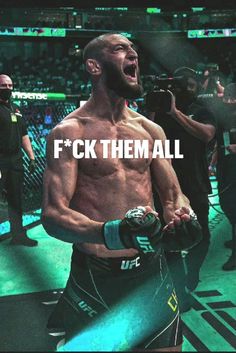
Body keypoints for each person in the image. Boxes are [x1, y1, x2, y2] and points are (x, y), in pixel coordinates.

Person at [41, 33, 202, 352]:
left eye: (134, 50)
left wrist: (182, 219)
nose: (133, 56)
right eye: (120, 49)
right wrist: (113, 233)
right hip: (96, 279)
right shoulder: (70, 132)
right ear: (94, 66)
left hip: (151, 272)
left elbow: (173, 195)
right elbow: (53, 215)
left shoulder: (151, 130)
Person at [149, 67, 216, 310]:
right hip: (163, 185)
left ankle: (192, 275)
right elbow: (139, 137)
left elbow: (207, 134)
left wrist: (174, 112)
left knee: (202, 236)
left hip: (194, 183)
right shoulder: (156, 110)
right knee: (169, 240)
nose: (184, 90)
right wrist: (153, 111)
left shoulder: (200, 109)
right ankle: (178, 289)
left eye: (188, 85)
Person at [0, 74, 38, 246]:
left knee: (16, 199)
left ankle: (18, 235)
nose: (8, 88)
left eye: (10, 85)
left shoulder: (16, 109)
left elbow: (24, 135)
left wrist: (31, 157)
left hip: (15, 160)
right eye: (3, 85)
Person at [210, 83, 236, 270]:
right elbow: (220, 140)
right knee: (227, 203)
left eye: (232, 98)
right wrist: (213, 160)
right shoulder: (224, 115)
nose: (228, 101)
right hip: (226, 169)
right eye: (226, 97)